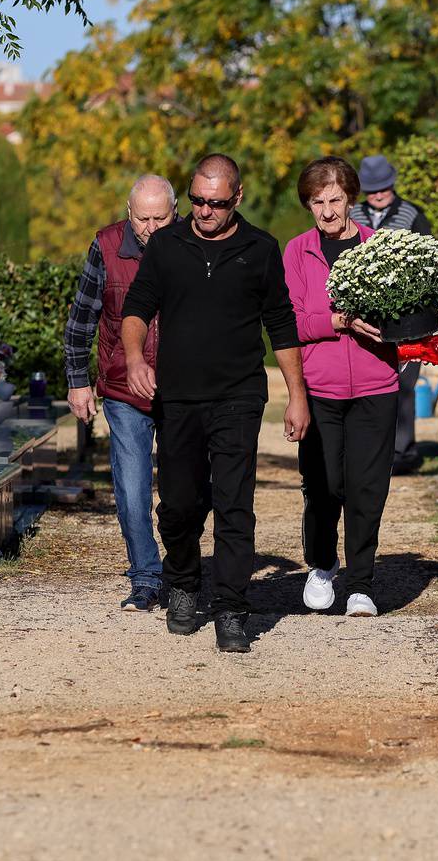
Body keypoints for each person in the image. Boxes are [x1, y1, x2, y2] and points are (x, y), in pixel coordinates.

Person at [121, 154, 310, 654]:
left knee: (234, 505)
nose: (204, 211)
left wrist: (298, 396)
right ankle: (182, 582)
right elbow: (137, 309)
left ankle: (231, 606)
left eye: (216, 203)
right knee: (179, 506)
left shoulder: (260, 249)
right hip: (178, 398)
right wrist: (137, 359)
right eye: (198, 200)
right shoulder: (166, 244)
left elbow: (282, 326)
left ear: (238, 198)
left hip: (239, 396)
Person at [283, 157, 400, 618]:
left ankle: (361, 583)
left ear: (350, 198)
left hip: (376, 383)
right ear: (308, 205)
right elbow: (288, 319)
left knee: (368, 487)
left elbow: (405, 313)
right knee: (324, 483)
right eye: (317, 202)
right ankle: (322, 563)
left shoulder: (381, 249)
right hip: (320, 387)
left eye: (334, 200)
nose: (328, 211)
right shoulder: (296, 252)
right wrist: (336, 321)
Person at [62, 175, 177, 611]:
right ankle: (145, 577)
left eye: (159, 218)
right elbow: (81, 320)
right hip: (123, 389)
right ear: (129, 214)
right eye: (142, 218)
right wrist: (77, 380)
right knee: (131, 489)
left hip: (182, 391)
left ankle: (181, 567)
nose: (150, 227)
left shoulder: (193, 243)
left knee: (183, 492)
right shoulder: (106, 246)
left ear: (175, 213)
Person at [349, 154, 433, 476]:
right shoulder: (352, 214)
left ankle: (403, 451)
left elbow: (428, 261)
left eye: (383, 187)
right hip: (365, 316)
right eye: (371, 190)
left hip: (405, 316)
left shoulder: (411, 214)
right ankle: (369, 450)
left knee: (404, 386)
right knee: (367, 387)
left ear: (392, 184)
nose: (378, 194)